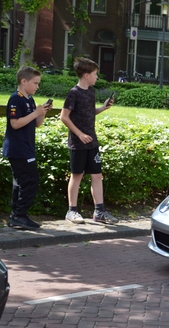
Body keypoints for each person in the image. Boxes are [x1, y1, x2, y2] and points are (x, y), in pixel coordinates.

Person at [60, 57, 119, 224]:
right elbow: (64, 117)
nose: (96, 77)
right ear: (86, 75)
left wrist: (103, 108)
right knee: (77, 175)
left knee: (97, 175)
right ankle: (72, 211)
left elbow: (88, 112)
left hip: (92, 142)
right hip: (78, 143)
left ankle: (99, 212)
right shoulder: (73, 93)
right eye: (95, 74)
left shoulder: (91, 92)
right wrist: (79, 134)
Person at [2, 67, 52, 230]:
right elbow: (15, 124)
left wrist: (42, 112)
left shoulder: (29, 99)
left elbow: (36, 123)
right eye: (35, 83)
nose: (38, 86)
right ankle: (19, 215)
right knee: (30, 182)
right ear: (24, 81)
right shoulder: (16, 99)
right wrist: (35, 112)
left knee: (21, 183)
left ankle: (16, 216)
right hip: (18, 149)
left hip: (26, 148)